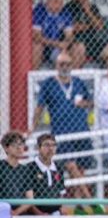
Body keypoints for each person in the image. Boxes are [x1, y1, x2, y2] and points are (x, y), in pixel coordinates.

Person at [31, 52, 95, 199]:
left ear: (72, 66)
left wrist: (82, 103)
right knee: (70, 165)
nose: (64, 67)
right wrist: (32, 128)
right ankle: (90, 200)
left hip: (81, 129)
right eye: (61, 64)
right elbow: (39, 108)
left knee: (82, 168)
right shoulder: (49, 84)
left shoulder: (78, 82)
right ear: (56, 65)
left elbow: (90, 102)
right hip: (61, 132)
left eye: (67, 64)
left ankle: (79, 203)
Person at [63, 0, 108, 68]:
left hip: (92, 42)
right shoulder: (68, 7)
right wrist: (89, 26)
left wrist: (88, 11)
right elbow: (72, 27)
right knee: (80, 48)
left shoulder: (93, 7)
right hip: (75, 41)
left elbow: (100, 26)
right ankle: (76, 78)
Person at [32, 0, 78, 69]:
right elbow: (37, 37)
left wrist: (66, 44)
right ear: (48, 1)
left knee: (78, 47)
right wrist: (56, 44)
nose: (59, 6)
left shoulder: (65, 13)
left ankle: (72, 77)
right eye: (56, 2)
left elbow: (69, 35)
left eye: (61, 3)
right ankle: (34, 77)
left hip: (59, 47)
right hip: (44, 46)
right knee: (37, 47)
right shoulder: (39, 11)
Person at [26, 134, 67, 216]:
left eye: (53, 145)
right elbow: (28, 199)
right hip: (35, 215)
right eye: (46, 145)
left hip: (56, 212)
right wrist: (40, 214)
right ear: (38, 148)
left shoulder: (58, 167)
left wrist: (63, 208)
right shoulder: (30, 167)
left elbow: (61, 193)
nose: (51, 148)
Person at [0, 132, 35, 216]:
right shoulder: (1, 166)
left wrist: (16, 212)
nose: (19, 147)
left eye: (21, 144)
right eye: (14, 144)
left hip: (21, 214)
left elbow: (30, 198)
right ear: (6, 148)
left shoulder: (25, 169)